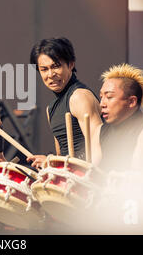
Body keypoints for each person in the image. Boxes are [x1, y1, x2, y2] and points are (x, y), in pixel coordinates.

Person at [27, 38, 103, 168]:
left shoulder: (79, 97)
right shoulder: (51, 108)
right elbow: (62, 157)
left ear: (71, 64)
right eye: (44, 69)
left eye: (56, 66)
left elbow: (100, 147)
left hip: (87, 180)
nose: (50, 74)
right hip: (70, 178)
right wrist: (50, 162)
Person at [93, 63, 143, 171]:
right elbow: (92, 172)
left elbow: (139, 177)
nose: (102, 104)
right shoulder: (100, 131)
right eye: (101, 97)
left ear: (132, 101)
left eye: (109, 97)